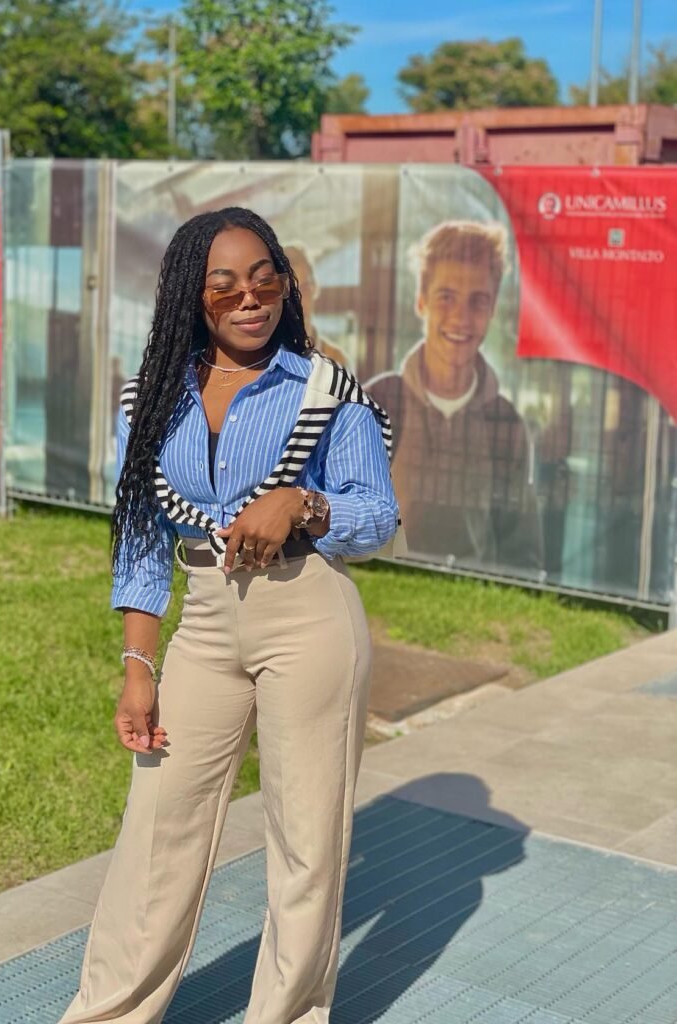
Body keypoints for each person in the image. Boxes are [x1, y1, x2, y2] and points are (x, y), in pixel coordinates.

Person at [59, 208, 399, 1024]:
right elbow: (142, 537)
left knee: (305, 843)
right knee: (157, 829)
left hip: (306, 614)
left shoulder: (325, 387)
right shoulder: (150, 398)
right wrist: (139, 668)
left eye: (265, 279)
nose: (250, 299)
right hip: (205, 623)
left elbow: (377, 515)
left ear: (285, 281)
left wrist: (302, 501)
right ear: (191, 296)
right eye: (225, 286)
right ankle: (108, 1012)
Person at [364, 220, 542, 573]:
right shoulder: (376, 403)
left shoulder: (506, 424)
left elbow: (523, 554)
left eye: (478, 301)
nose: (460, 318)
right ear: (421, 302)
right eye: (446, 297)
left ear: (492, 311)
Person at [283, 242, 351, 367]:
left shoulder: (337, 361)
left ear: (315, 288)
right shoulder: (264, 360)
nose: (299, 301)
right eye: (291, 293)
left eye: (304, 288)